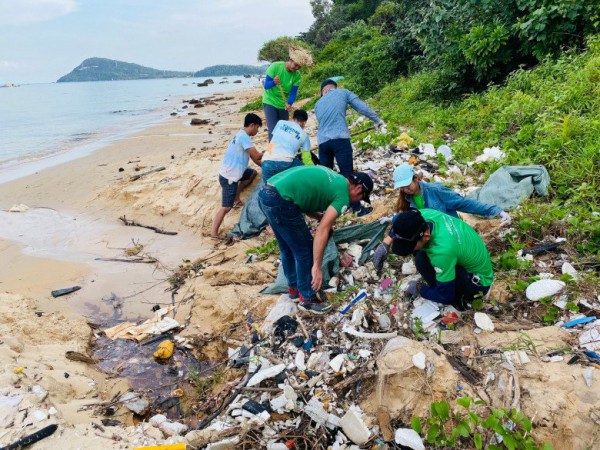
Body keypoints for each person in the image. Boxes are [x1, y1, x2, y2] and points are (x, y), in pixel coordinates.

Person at [258, 166, 374, 315]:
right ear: (358, 189)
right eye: (361, 198)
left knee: (287, 247)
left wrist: (319, 217)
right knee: (305, 250)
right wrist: (317, 267)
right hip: (281, 200)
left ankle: (294, 290)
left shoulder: (336, 178)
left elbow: (303, 197)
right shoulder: (343, 196)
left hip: (267, 193)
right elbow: (322, 230)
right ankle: (307, 299)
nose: (358, 201)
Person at [372, 163, 510, 271]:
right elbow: (408, 218)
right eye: (401, 188)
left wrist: (495, 210)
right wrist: (392, 223)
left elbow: (464, 204)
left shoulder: (436, 191)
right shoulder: (408, 198)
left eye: (407, 185)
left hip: (449, 235)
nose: (404, 190)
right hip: (427, 235)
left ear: (416, 179)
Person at [387, 209, 493, 310]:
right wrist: (385, 243)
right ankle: (443, 279)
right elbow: (400, 220)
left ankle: (459, 302)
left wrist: (420, 289)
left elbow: (445, 296)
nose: (409, 250)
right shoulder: (423, 215)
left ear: (426, 236)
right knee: (421, 255)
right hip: (467, 252)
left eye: (410, 246)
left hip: (478, 285)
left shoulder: (442, 251)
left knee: (421, 260)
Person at [315, 78, 386, 215]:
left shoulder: (318, 104)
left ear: (323, 91)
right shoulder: (343, 92)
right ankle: (357, 209)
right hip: (340, 139)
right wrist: (377, 120)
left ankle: (328, 209)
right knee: (348, 176)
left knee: (326, 177)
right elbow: (361, 106)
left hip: (323, 143)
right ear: (334, 87)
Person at [211, 113, 263, 239]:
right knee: (226, 207)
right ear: (252, 125)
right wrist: (269, 151)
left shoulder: (241, 135)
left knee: (252, 173)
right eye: (257, 128)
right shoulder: (244, 138)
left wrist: (264, 166)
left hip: (236, 172)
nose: (257, 131)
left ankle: (236, 197)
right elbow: (256, 155)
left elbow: (253, 158)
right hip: (229, 177)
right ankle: (213, 233)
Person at [262, 46, 313, 142]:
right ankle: (272, 152)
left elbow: (293, 92)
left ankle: (284, 151)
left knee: (284, 129)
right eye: (295, 65)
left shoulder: (297, 75)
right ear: (290, 60)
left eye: (299, 67)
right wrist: (274, 82)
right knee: (273, 129)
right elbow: (266, 86)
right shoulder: (275, 66)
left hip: (283, 104)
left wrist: (289, 103)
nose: (296, 68)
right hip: (270, 101)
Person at [261, 109, 313, 182]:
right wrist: (314, 170)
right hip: (285, 163)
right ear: (305, 122)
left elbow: (273, 141)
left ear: (293, 118)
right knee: (303, 172)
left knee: (267, 188)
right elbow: (306, 159)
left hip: (266, 161)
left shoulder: (280, 123)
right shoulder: (304, 136)